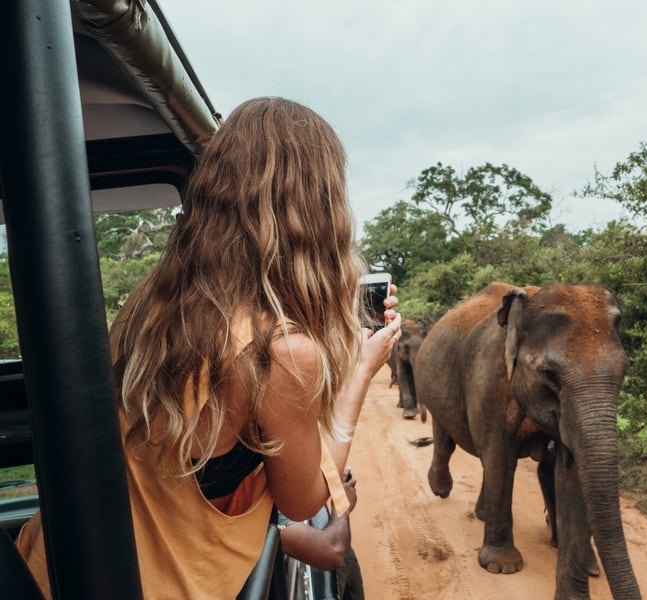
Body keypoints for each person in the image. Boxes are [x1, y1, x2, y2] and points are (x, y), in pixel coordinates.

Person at [17, 97, 401, 599]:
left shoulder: (153, 303)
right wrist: (361, 373)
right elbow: (304, 499)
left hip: (48, 568)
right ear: (319, 211)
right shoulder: (279, 351)